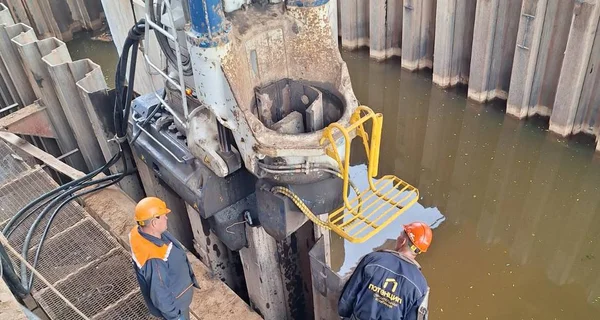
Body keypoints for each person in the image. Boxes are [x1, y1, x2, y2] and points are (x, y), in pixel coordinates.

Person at [338, 222, 433, 320]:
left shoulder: (373, 260)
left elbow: (347, 300)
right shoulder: (420, 285)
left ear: (403, 241)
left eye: (400, 235)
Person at [129, 197, 198, 320]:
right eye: (163, 215)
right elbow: (159, 294)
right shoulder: (154, 259)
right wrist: (175, 316)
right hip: (176, 306)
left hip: (176, 295)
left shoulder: (141, 232)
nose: (166, 218)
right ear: (154, 223)